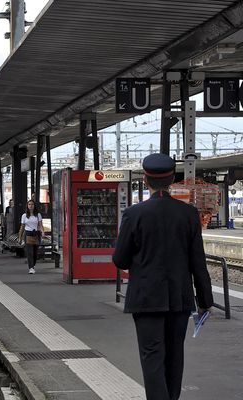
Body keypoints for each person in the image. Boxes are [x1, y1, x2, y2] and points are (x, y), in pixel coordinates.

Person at [112, 153, 214, 400]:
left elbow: (120, 260)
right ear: (171, 180)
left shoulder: (134, 215)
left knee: (152, 357)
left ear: (146, 180)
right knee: (174, 356)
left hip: (146, 300)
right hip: (179, 299)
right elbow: (198, 262)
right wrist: (205, 301)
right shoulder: (188, 214)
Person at [18, 200, 43, 274]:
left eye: (32, 204)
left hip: (36, 234)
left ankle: (33, 265)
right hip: (28, 234)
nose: (31, 206)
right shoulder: (24, 216)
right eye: (29, 204)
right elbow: (22, 227)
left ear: (34, 206)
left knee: (35, 253)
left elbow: (41, 225)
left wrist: (43, 232)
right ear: (27, 206)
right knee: (29, 252)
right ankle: (31, 268)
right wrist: (20, 237)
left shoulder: (38, 215)